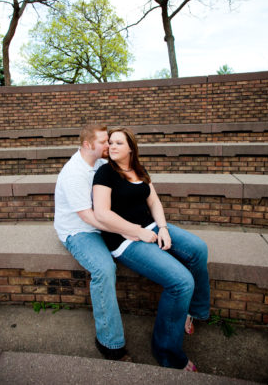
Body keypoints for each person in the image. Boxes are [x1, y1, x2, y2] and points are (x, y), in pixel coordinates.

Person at [93, 127, 210, 371]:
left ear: (131, 148)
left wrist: (163, 228)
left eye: (118, 143)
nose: (112, 146)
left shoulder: (139, 169)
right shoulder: (105, 172)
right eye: (110, 142)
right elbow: (102, 214)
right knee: (181, 282)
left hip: (151, 226)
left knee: (198, 248)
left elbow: (154, 200)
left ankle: (194, 311)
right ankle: (167, 353)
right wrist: (138, 232)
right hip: (125, 240)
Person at [54, 124, 155, 361]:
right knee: (104, 269)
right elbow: (88, 217)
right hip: (80, 231)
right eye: (103, 142)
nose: (109, 145)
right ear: (88, 145)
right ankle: (109, 342)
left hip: (102, 223)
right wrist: (130, 230)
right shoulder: (73, 173)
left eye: (110, 141)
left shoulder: (100, 163)